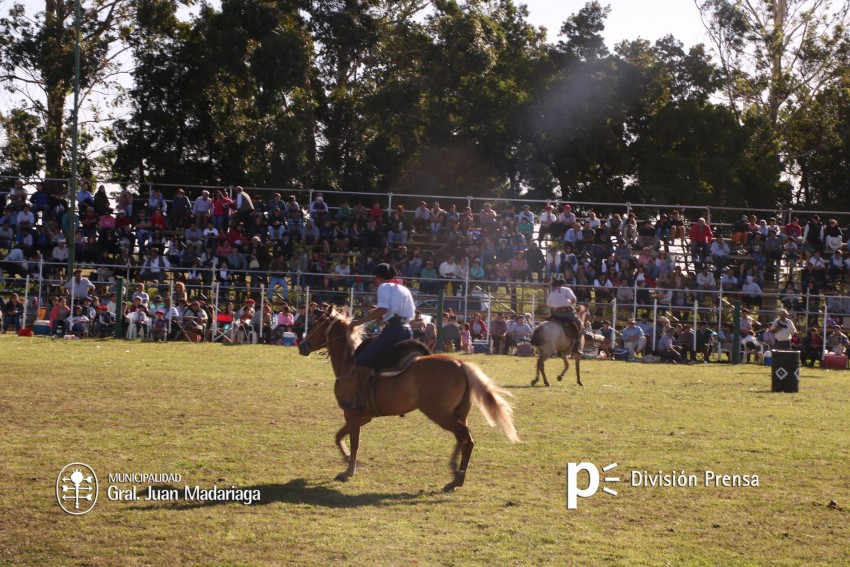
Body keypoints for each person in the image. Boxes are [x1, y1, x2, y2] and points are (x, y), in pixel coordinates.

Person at [349, 263, 416, 412]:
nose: (375, 281)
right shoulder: (404, 288)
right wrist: (383, 316)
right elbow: (402, 313)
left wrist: (357, 322)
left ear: (379, 278)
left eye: (375, 278)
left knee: (362, 360)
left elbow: (383, 309)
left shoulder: (384, 287)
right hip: (407, 330)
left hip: (394, 330)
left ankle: (361, 400)